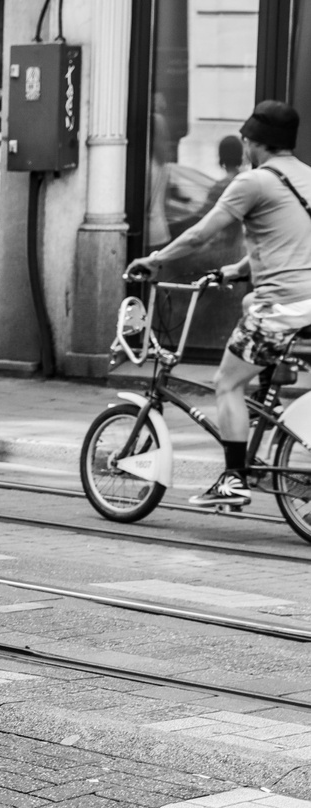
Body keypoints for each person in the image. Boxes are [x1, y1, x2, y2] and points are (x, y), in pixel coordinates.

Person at [127, 101, 311, 508]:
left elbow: (199, 235)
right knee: (248, 303)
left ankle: (233, 478)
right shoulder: (307, 177)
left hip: (281, 307)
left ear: (252, 142)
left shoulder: (254, 182)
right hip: (308, 303)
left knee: (225, 383)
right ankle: (266, 403)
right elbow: (288, 240)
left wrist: (154, 260)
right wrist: (237, 269)